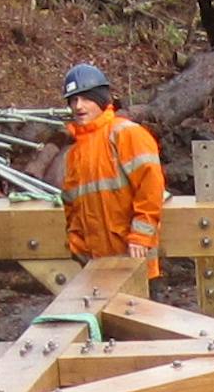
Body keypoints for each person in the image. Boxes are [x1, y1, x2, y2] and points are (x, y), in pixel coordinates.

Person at [57, 62, 166, 278]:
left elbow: (151, 187)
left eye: (86, 99)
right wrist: (77, 245)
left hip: (135, 260)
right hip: (96, 266)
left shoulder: (126, 134)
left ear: (100, 99)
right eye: (74, 100)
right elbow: (72, 208)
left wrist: (141, 236)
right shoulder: (74, 154)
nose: (79, 106)